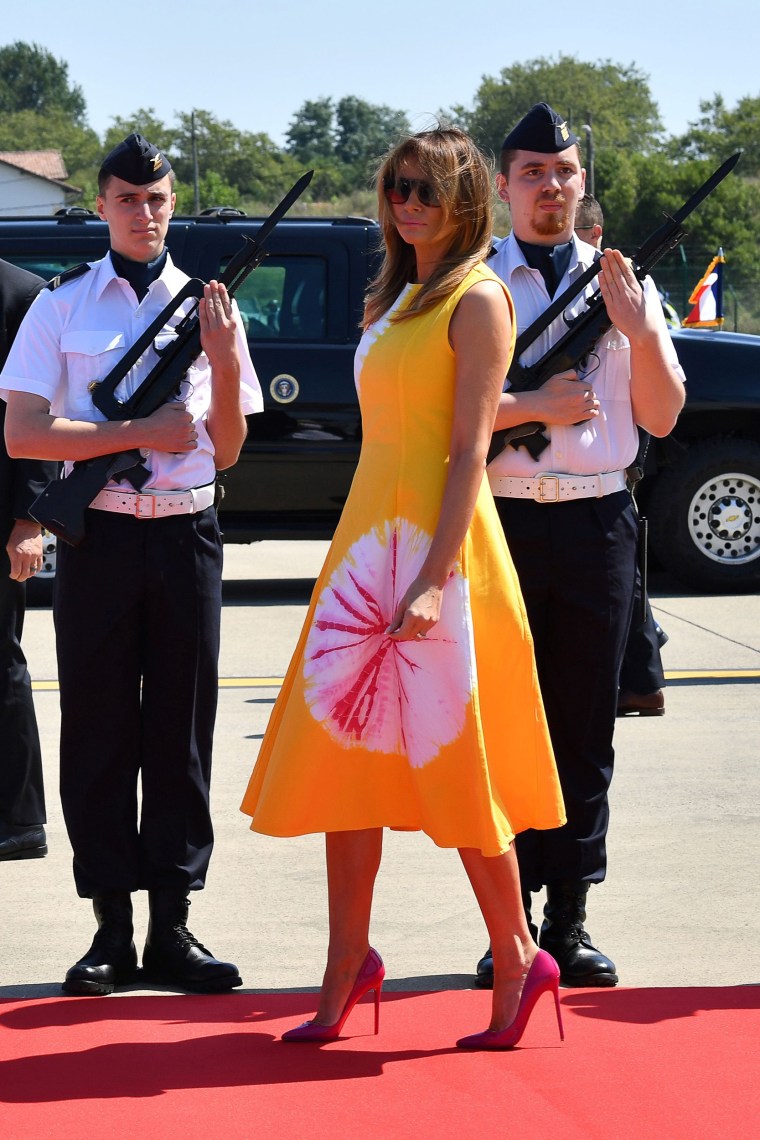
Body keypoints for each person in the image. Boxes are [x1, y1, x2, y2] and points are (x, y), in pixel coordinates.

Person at [242, 126, 566, 1050]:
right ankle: (348, 959)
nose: (406, 203)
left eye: (424, 188)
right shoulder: (399, 294)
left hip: (440, 555)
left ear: (465, 197)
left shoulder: (478, 299)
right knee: (347, 766)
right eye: (395, 187)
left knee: (460, 768)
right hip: (364, 547)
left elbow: (470, 448)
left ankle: (517, 951)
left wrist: (432, 577)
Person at [1, 133, 262, 995]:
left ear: (173, 201)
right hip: (101, 538)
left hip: (187, 532)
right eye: (125, 199)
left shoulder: (212, 306)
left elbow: (226, 450)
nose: (143, 214)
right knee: (102, 729)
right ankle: (110, 926)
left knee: (181, 734)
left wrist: (223, 365)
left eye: (156, 200)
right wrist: (136, 434)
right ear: (102, 206)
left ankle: (174, 926)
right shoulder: (63, 305)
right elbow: (24, 432)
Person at [476, 104, 685, 989]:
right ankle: (509, 926)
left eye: (563, 173)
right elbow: (443, 424)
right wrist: (534, 408)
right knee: (506, 730)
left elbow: (665, 414)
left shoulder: (622, 282)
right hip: (503, 524)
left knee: (583, 730)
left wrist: (635, 329)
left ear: (581, 183)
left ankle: (571, 918)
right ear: (503, 187)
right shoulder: (475, 286)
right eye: (532, 174)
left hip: (599, 521)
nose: (550, 188)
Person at [575, 193, 668, 717]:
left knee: (627, 574)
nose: (589, 246)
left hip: (616, 456)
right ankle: (643, 675)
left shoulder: (629, 288)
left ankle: (643, 675)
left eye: (591, 235)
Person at [0, 258, 54, 862]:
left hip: (1, 517)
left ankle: (18, 820)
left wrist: (29, 519)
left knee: (0, 666)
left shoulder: (21, 296)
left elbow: (39, 411)